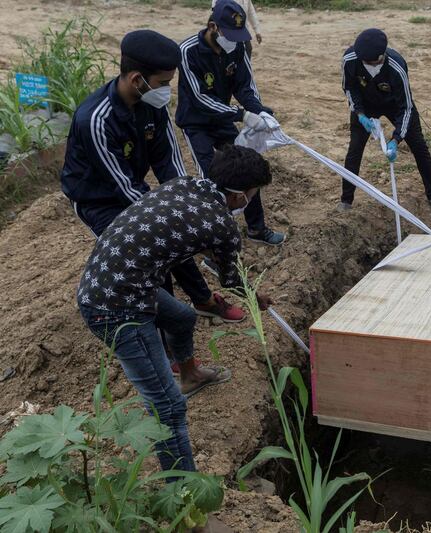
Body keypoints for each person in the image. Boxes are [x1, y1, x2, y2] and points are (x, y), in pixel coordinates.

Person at [78, 146, 272, 504]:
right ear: (241, 195)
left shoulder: (184, 186)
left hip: (106, 280)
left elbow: (176, 246)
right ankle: (186, 504)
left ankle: (190, 375)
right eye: (255, 193)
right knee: (167, 408)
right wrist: (257, 298)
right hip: (115, 308)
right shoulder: (222, 226)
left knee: (182, 318)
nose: (253, 200)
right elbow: (233, 280)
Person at [61, 29, 244, 325]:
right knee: (150, 258)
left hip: (131, 185)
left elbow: (168, 158)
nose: (167, 91)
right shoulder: (95, 120)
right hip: (99, 199)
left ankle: (203, 299)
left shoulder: (151, 104)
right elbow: (121, 184)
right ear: (137, 79)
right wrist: (169, 217)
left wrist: (189, 206)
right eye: (163, 83)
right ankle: (165, 337)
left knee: (175, 237)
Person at [176, 0, 285, 263]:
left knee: (249, 166)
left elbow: (245, 84)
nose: (232, 40)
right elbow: (200, 98)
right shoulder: (187, 51)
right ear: (213, 26)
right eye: (228, 34)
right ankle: (214, 247)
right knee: (213, 178)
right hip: (197, 122)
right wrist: (242, 115)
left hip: (223, 118)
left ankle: (257, 228)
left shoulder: (236, 46)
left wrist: (259, 112)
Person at [339, 28, 431, 219]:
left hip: (395, 105)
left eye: (369, 61)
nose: (364, 63)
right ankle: (346, 200)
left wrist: (397, 138)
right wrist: (359, 113)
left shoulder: (396, 67)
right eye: (362, 60)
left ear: (380, 57)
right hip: (365, 107)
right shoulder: (351, 59)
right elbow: (349, 87)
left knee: (419, 146)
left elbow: (406, 107)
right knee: (354, 149)